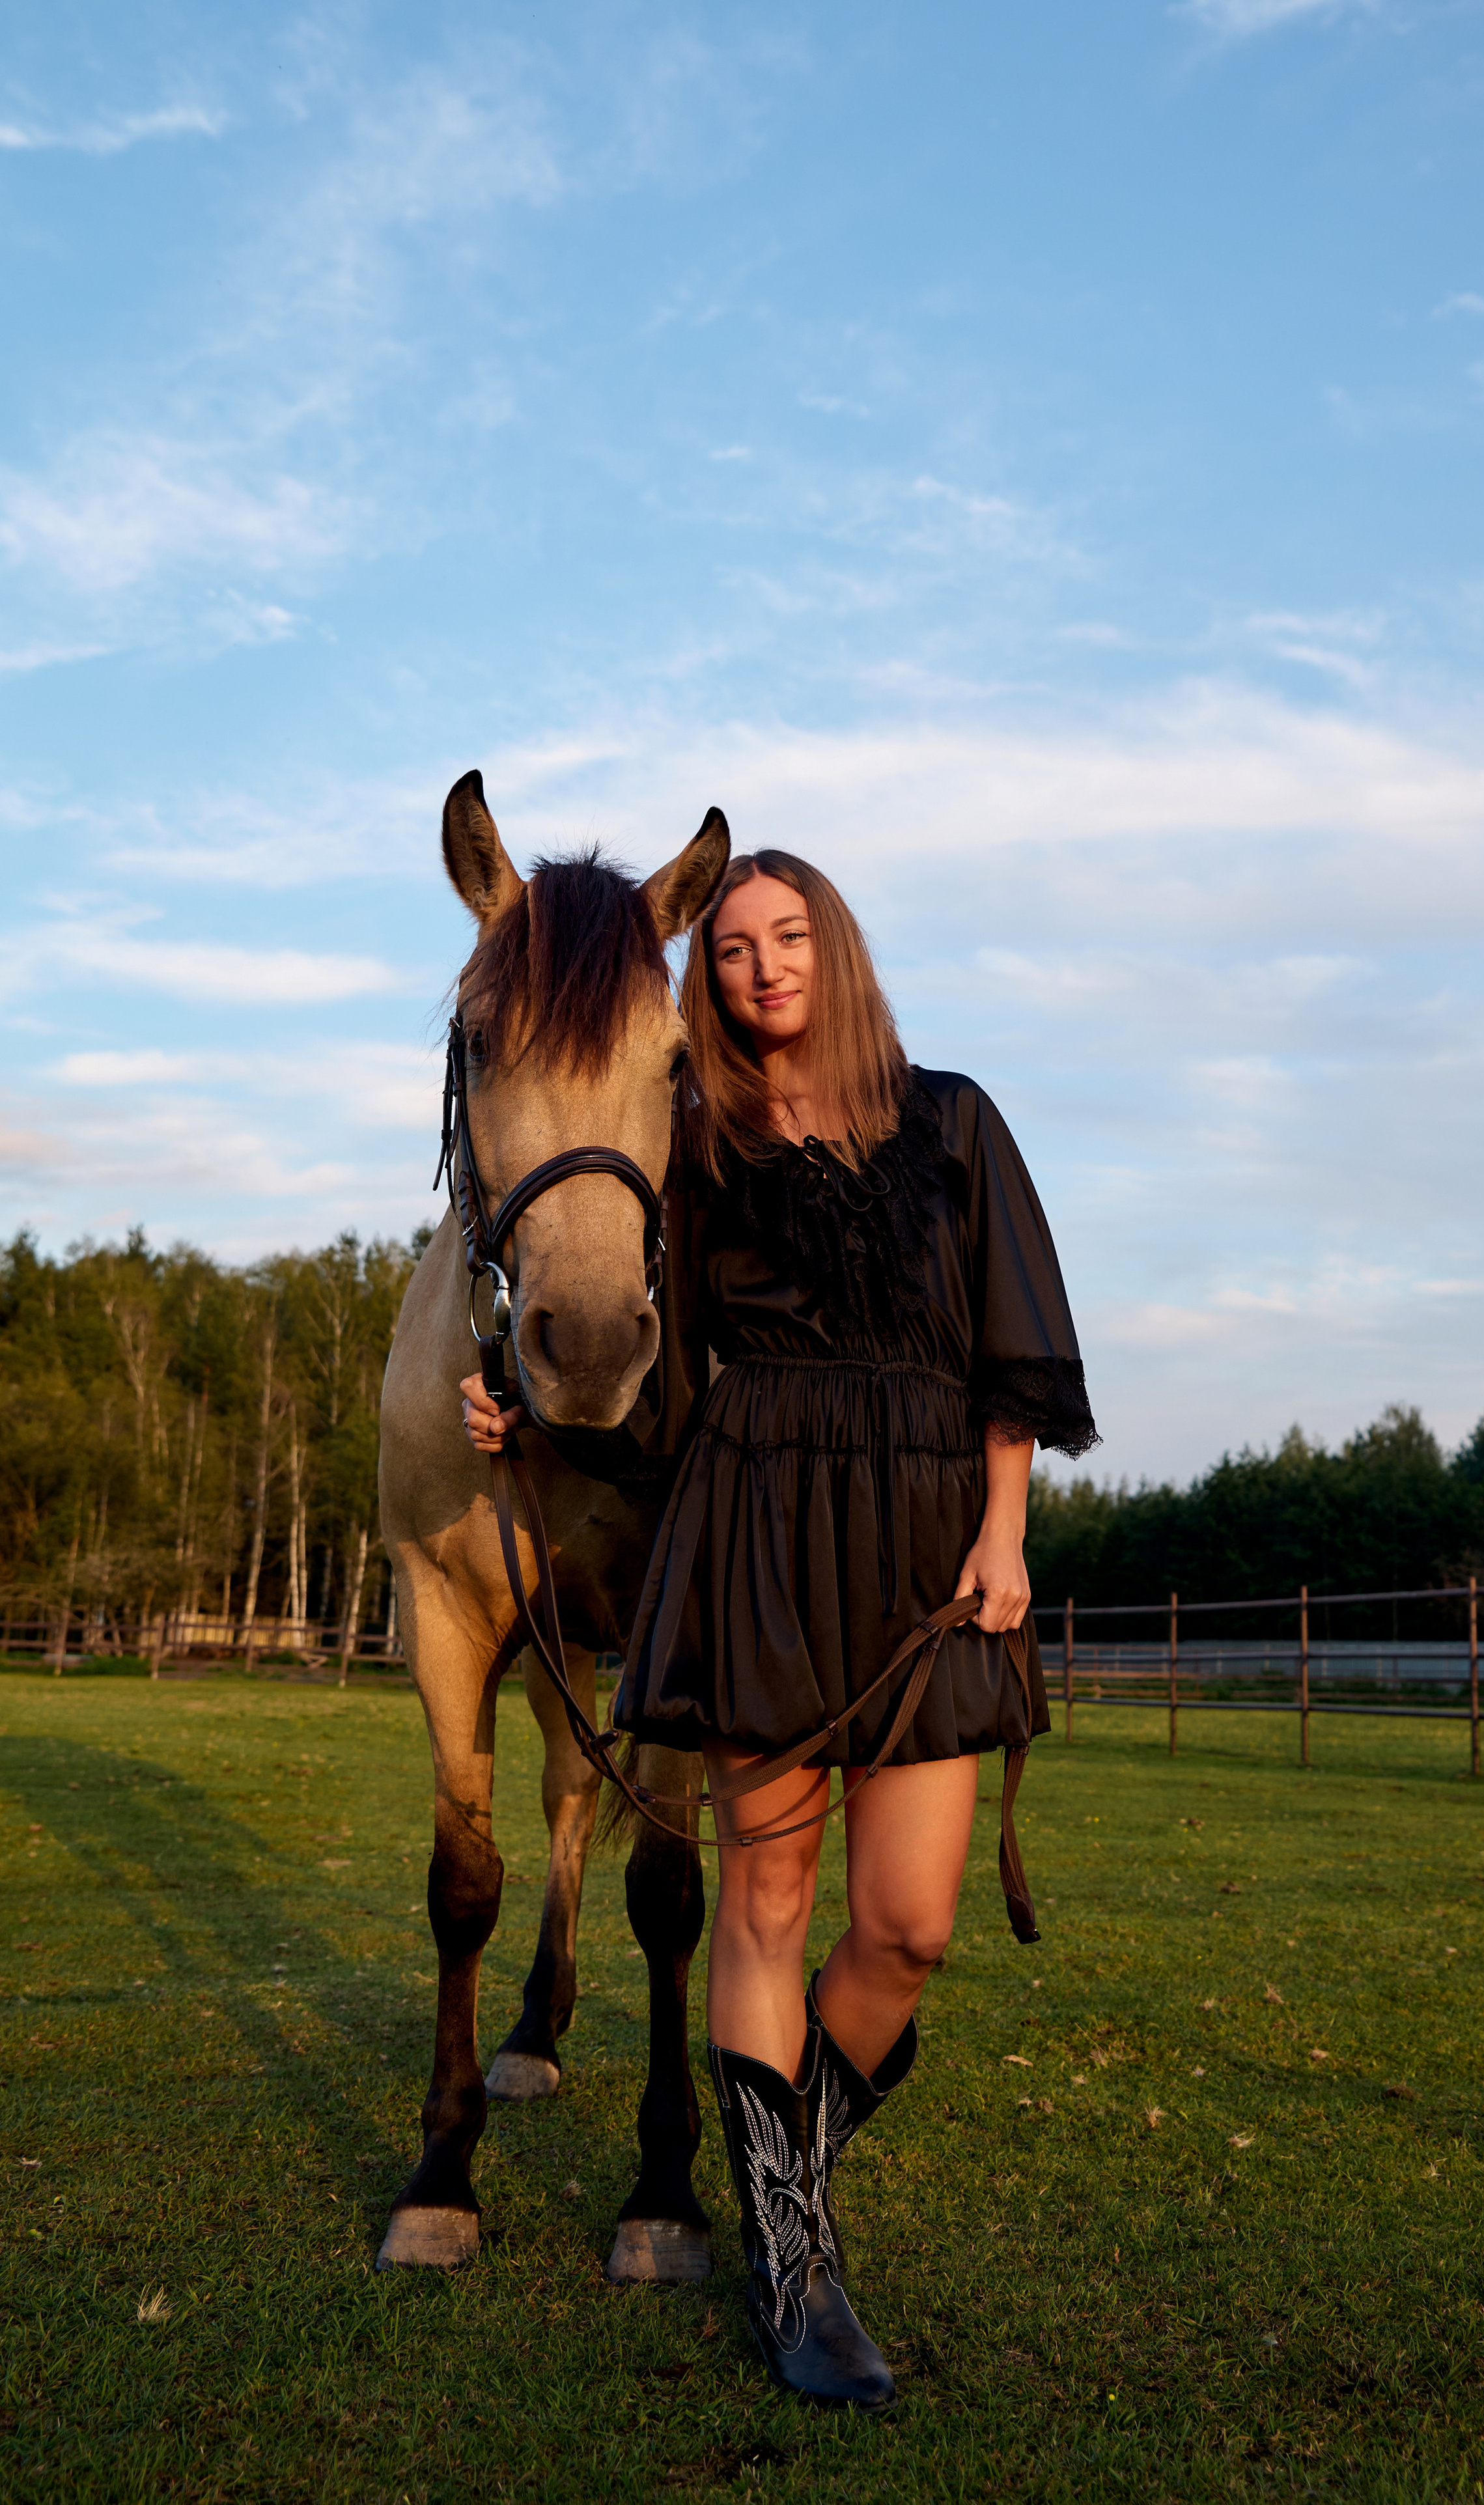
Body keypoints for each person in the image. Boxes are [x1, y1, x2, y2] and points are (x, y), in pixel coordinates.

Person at [464, 848, 1096, 2408]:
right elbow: (650, 1366)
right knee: (766, 1900)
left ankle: (773, 2185)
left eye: (786, 934)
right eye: (732, 947)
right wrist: (526, 1404)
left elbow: (1013, 1345)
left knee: (906, 1927)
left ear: (834, 945)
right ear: (709, 979)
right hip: (761, 1530)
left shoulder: (951, 1118)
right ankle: (798, 2267)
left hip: (929, 1540)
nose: (759, 967)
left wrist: (1004, 1528)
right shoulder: (700, 1152)